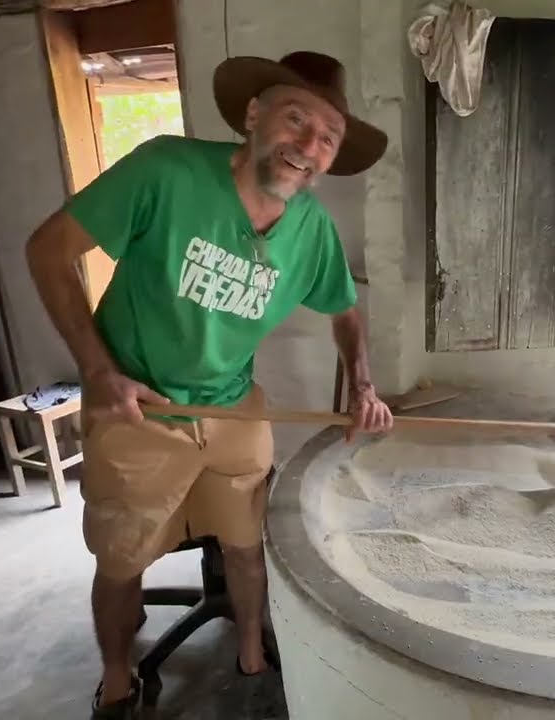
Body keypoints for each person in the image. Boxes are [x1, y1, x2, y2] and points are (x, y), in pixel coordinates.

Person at [24, 51, 395, 718]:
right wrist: (97, 370)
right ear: (253, 116)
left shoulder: (311, 230)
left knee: (247, 547)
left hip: (234, 409)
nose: (308, 146)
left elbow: (344, 309)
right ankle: (117, 678)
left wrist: (364, 385)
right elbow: (47, 249)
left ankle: (251, 650)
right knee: (120, 560)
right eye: (295, 119)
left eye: (328, 138)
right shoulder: (166, 170)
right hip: (139, 411)